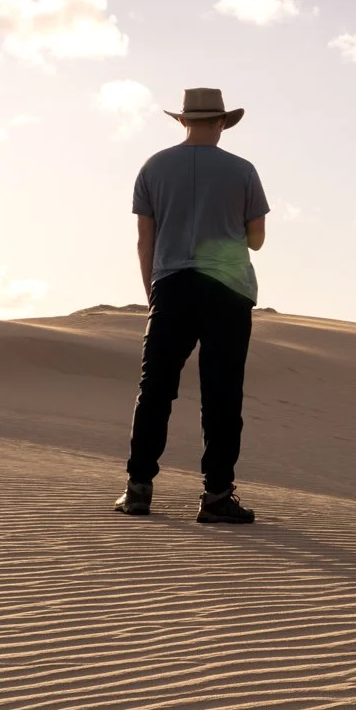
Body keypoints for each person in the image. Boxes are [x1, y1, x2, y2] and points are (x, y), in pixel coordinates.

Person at [116, 87, 269, 523]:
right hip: (228, 290)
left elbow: (145, 240)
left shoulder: (153, 167)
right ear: (221, 122)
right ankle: (217, 495)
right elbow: (256, 240)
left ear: (182, 121)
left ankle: (138, 489)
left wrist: (154, 292)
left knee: (156, 390)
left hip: (171, 284)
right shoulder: (243, 171)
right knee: (222, 394)